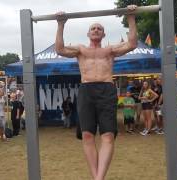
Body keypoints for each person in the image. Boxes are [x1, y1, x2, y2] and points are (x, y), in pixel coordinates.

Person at [55, 5, 138, 180]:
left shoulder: (109, 50)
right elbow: (60, 49)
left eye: (99, 28)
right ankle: (97, 178)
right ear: (88, 33)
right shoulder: (80, 50)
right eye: (93, 28)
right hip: (86, 89)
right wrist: (61, 23)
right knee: (87, 135)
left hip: (106, 89)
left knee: (108, 135)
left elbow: (132, 44)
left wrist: (131, 17)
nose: (96, 30)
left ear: (103, 35)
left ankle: (98, 178)